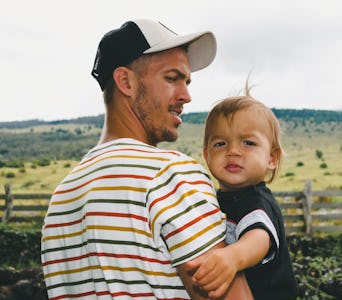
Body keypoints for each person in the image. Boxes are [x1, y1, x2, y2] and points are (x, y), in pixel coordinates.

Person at [41, 19, 252, 300]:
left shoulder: (62, 198)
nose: (186, 96)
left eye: (187, 82)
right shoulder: (171, 175)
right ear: (126, 82)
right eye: (172, 78)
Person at [188, 87, 298, 299]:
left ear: (271, 158)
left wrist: (233, 257)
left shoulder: (256, 201)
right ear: (207, 155)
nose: (233, 151)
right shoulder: (215, 200)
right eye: (220, 143)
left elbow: (259, 238)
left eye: (248, 143)